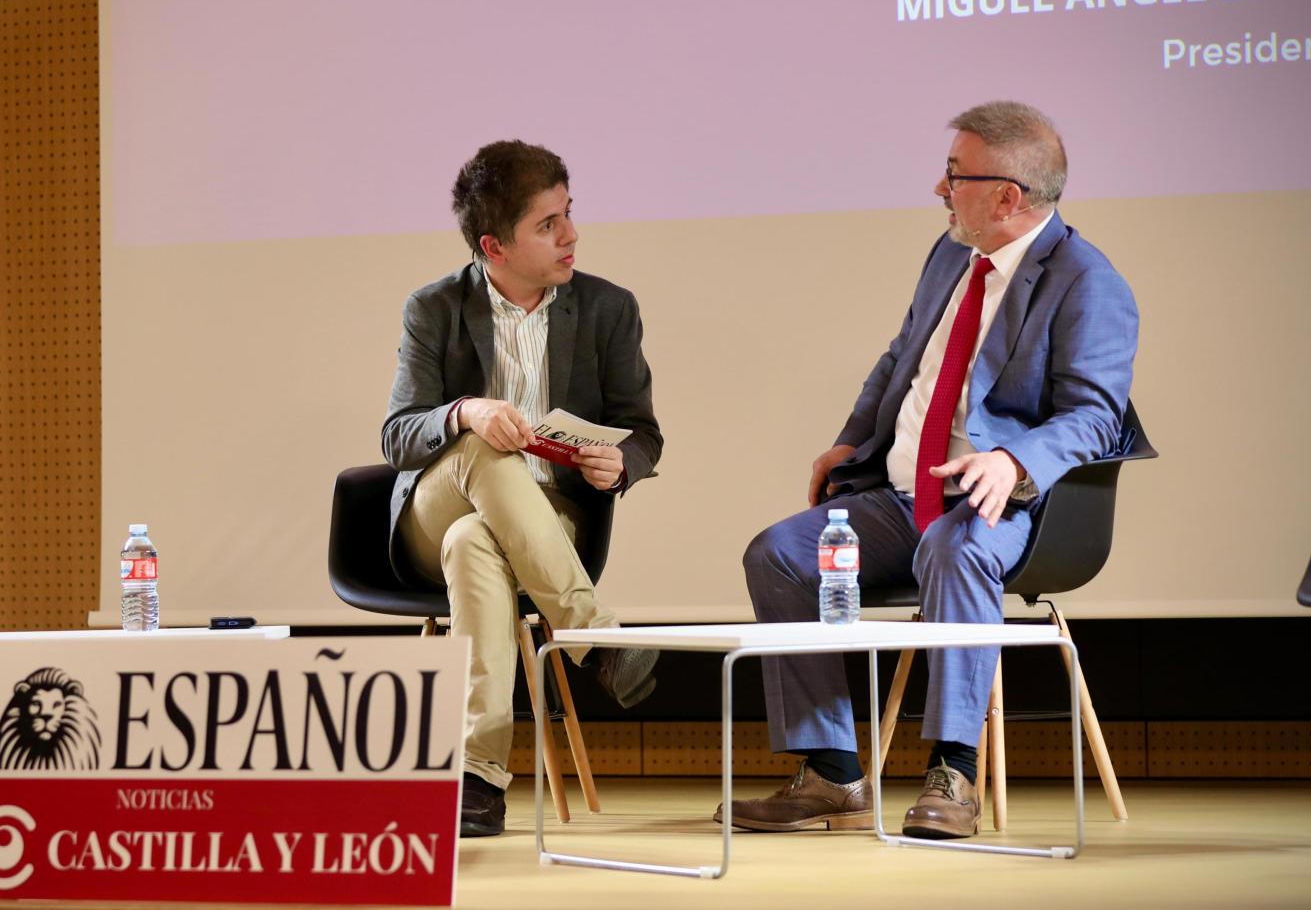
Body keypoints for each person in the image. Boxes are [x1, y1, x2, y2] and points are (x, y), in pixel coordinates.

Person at [724, 101, 1138, 840]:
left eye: (954, 175)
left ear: (1008, 196)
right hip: (901, 492)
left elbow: (1097, 416)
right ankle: (831, 774)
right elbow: (901, 358)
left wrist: (1013, 460)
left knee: (955, 546)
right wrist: (851, 442)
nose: (939, 190)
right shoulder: (950, 255)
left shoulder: (1087, 280)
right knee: (780, 554)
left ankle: (953, 771)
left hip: (1009, 508)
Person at [382, 140, 665, 838]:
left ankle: (478, 781)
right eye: (547, 224)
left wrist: (617, 462)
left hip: (547, 521)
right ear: (494, 245)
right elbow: (396, 436)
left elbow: (640, 432)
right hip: (435, 503)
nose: (570, 236)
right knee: (482, 444)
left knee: (474, 543)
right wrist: (463, 411)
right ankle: (594, 639)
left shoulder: (607, 309)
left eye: (569, 214)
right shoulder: (435, 308)